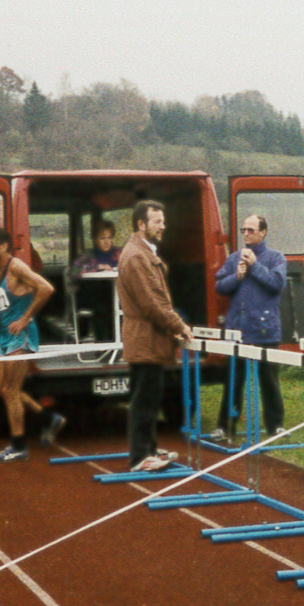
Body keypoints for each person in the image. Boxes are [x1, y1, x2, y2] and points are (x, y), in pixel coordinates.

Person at [117, 200, 191, 473]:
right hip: (144, 337)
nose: (163, 226)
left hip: (149, 337)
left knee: (149, 397)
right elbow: (151, 303)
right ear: (141, 224)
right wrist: (178, 325)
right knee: (144, 400)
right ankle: (140, 457)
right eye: (157, 221)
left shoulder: (143, 251)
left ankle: (148, 449)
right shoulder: (136, 256)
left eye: (163, 221)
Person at [0, 226, 66, 463]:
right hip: (5, 336)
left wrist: (26, 317)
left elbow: (46, 288)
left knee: (11, 391)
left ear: (3, 246)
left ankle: (18, 446)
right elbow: (0, 304)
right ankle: (48, 418)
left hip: (22, 335)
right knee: (3, 389)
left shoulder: (16, 266)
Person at [209, 214, 288, 443]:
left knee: (269, 381)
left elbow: (277, 285)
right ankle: (225, 427)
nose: (246, 234)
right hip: (239, 330)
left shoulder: (276, 257)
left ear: (263, 232)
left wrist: (255, 266)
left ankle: (276, 426)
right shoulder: (234, 258)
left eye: (251, 230)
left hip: (265, 330)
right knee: (233, 381)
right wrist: (237, 276)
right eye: (243, 230)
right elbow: (220, 287)